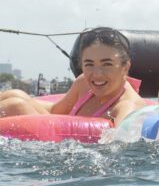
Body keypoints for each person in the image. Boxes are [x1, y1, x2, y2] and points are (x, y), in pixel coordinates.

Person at [0, 27, 145, 126]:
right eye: (89, 64)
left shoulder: (127, 106)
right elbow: (55, 111)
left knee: (15, 106)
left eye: (106, 64)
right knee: (14, 94)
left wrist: (19, 105)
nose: (97, 73)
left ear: (125, 66)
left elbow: (122, 148)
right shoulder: (84, 83)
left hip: (70, 157)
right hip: (59, 139)